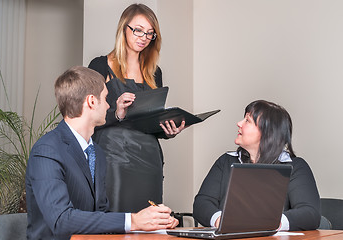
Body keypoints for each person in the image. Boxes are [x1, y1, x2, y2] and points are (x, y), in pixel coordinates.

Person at [25, 66, 178, 240]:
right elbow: (61, 220)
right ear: (91, 101)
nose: (108, 105)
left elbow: (101, 214)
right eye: (106, 98)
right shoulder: (47, 151)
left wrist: (151, 224)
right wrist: (133, 221)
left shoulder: (96, 151)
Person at [88, 3, 185, 213]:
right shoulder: (99, 66)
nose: (143, 37)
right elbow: (86, 116)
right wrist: (117, 112)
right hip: (112, 157)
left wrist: (168, 130)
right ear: (124, 28)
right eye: (138, 30)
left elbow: (149, 122)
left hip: (149, 157)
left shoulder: (154, 72)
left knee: (149, 219)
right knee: (114, 219)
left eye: (150, 33)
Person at [193, 100, 321, 231]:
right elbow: (202, 203)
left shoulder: (295, 167)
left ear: (268, 132)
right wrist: (219, 220)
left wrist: (271, 223)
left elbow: (310, 213)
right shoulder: (226, 161)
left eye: (247, 121)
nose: (239, 123)